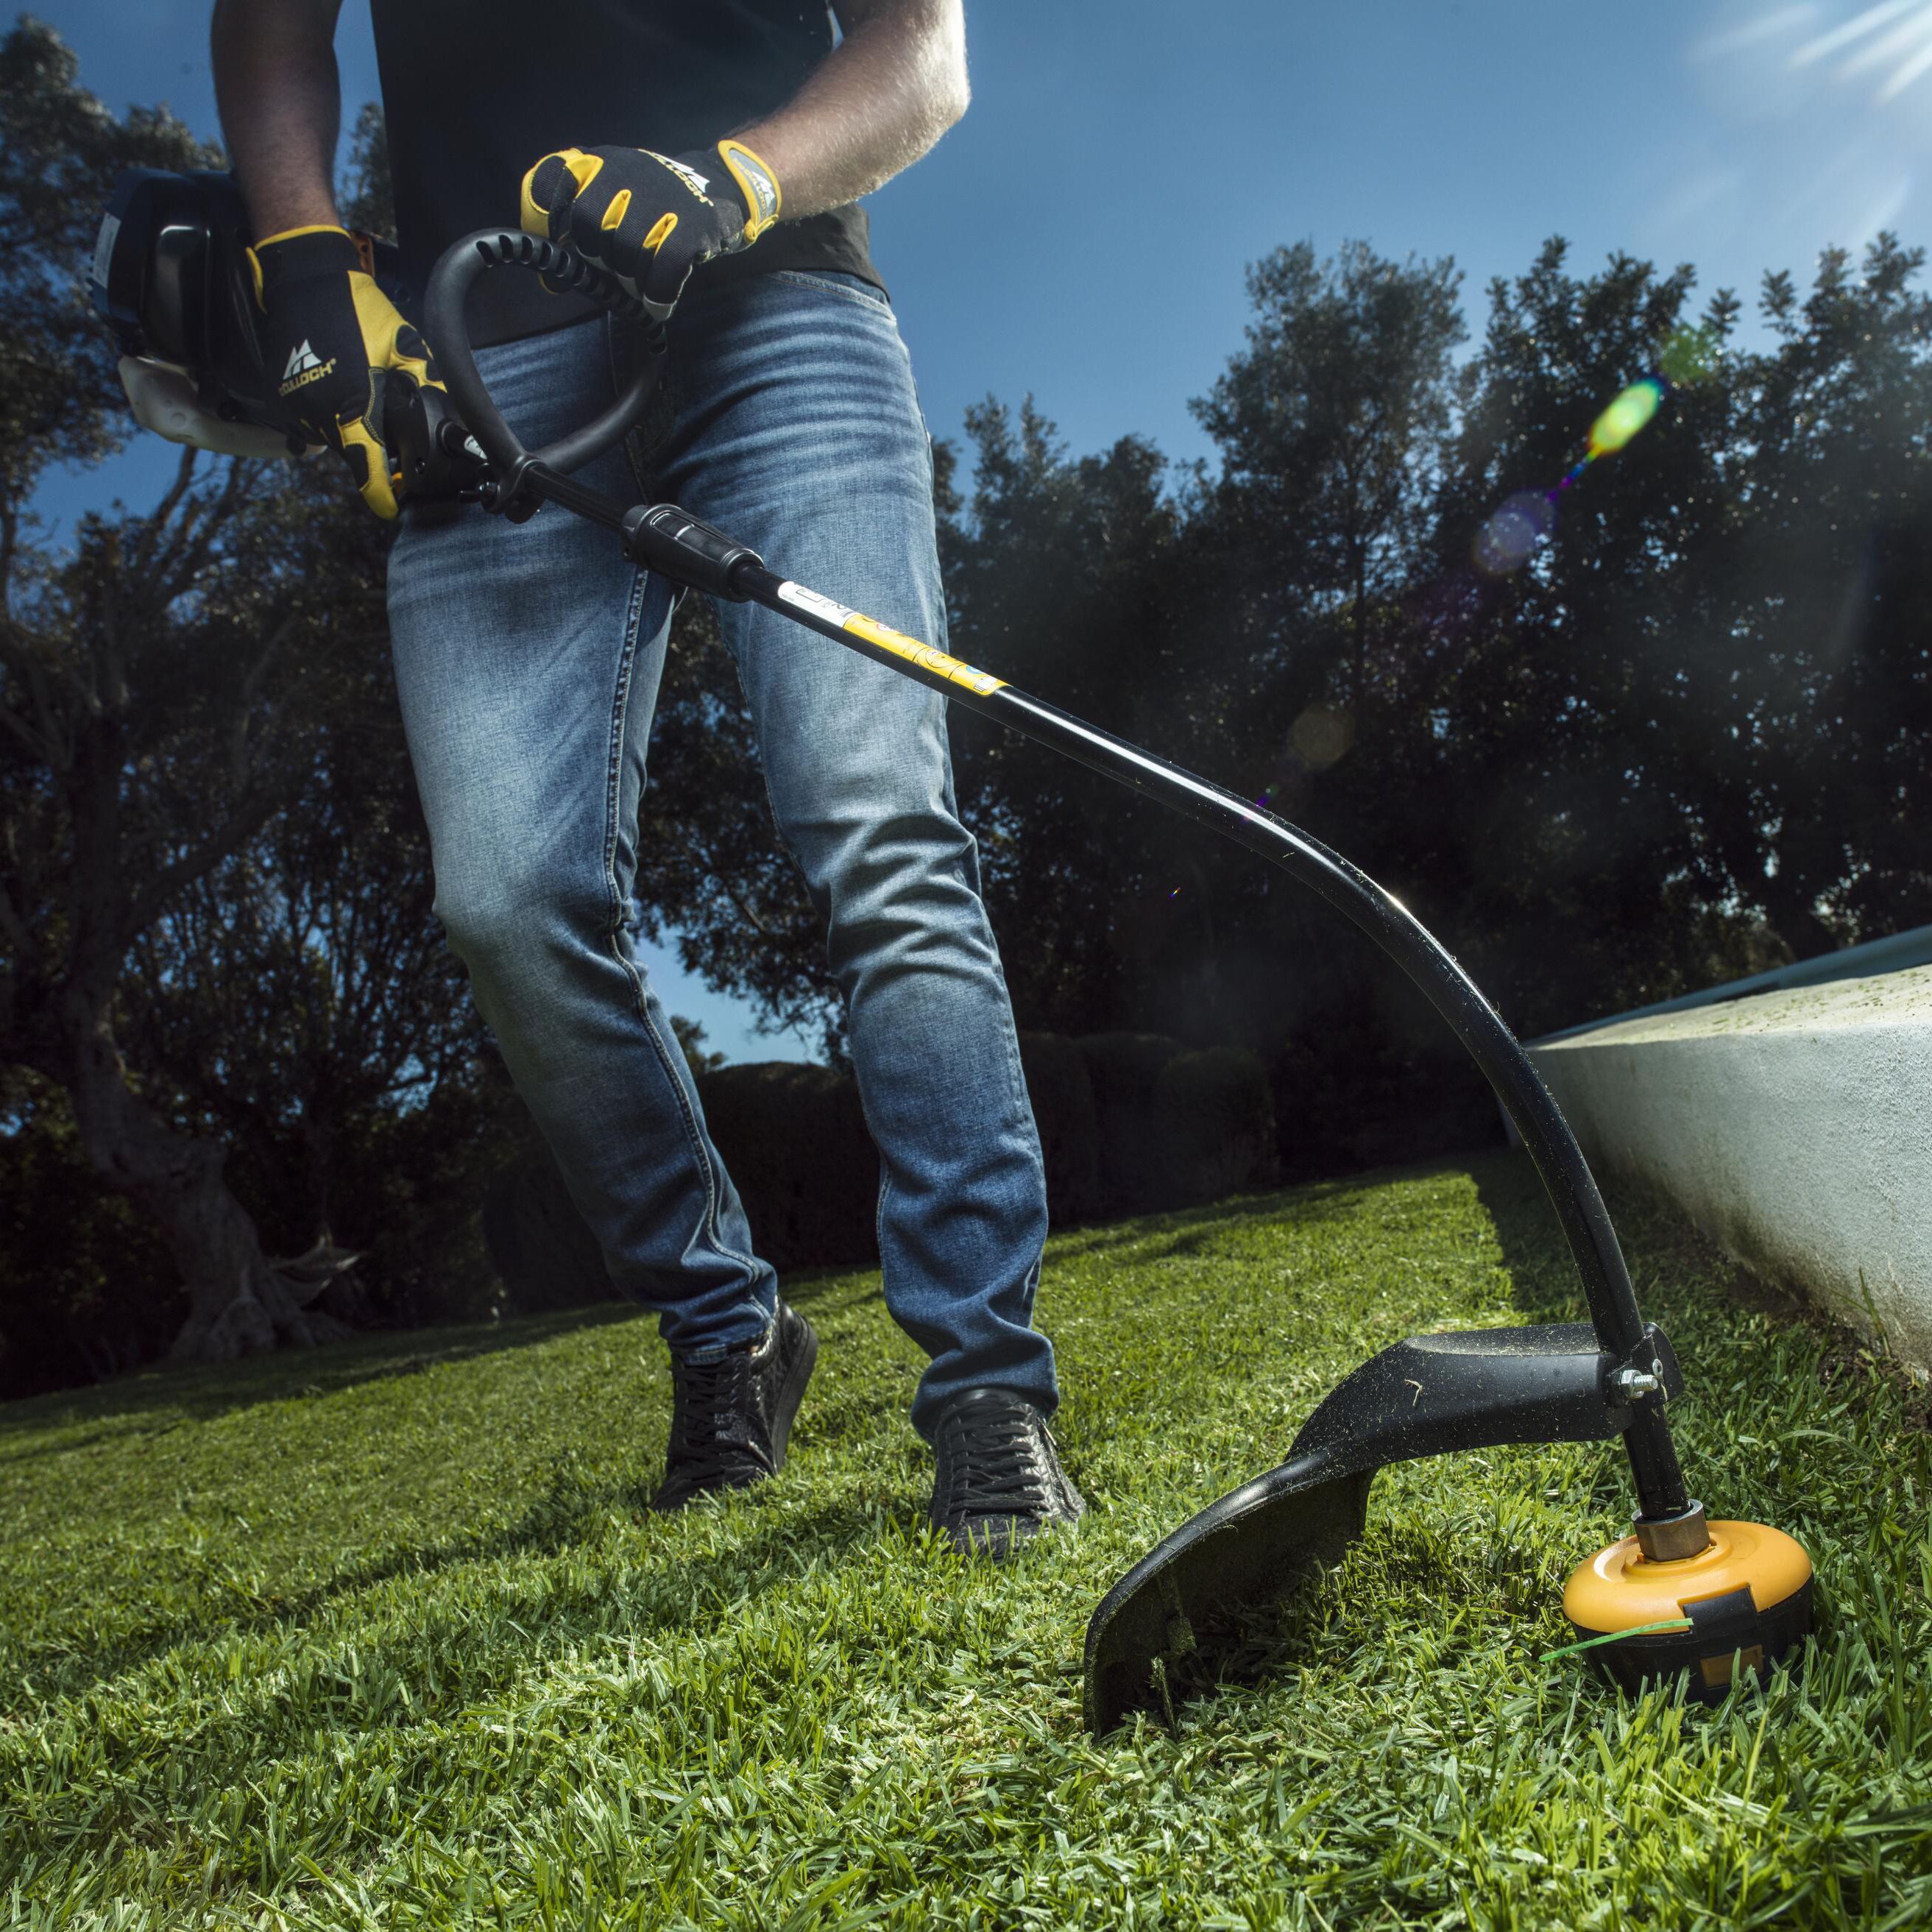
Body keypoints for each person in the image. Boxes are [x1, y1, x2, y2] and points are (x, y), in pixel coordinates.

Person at [210, 0, 1083, 1556]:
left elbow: (922, 54)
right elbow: (268, 21)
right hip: (484, 359)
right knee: (503, 896)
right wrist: (303, 258)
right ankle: (725, 1330)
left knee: (878, 821)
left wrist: (738, 178)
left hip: (780, 300)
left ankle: (984, 1390)